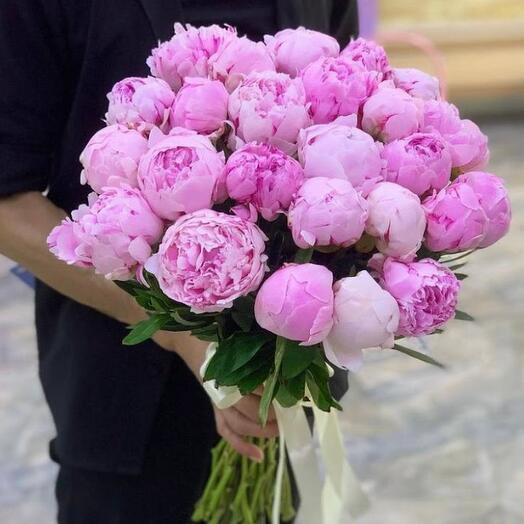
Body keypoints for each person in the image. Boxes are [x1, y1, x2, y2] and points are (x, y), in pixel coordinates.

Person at [0, 1, 358, 522]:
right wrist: (175, 330)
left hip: (285, 390)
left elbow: (347, 118)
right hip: (126, 406)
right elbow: (8, 201)